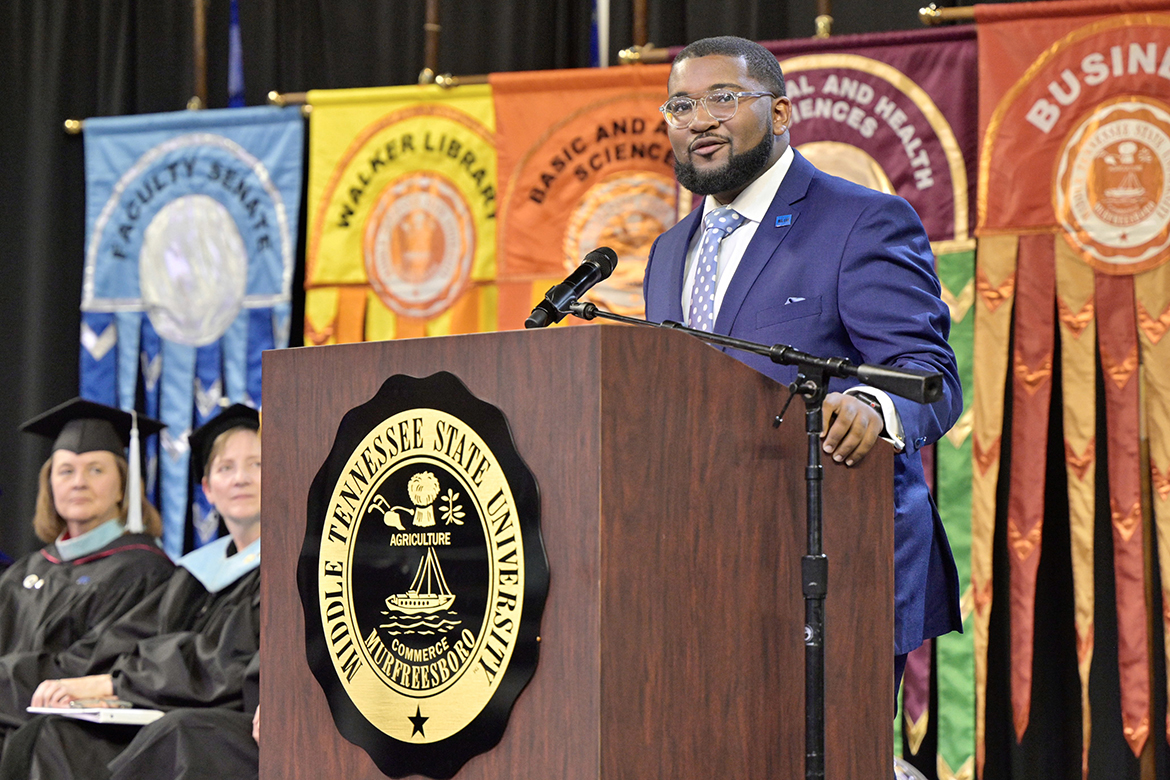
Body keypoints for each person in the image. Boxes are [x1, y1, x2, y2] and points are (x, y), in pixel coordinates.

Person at [643, 36, 962, 687]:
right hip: (699, 575)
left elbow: (929, 376)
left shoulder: (861, 222)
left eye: (722, 99)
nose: (698, 120)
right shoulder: (667, 252)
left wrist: (873, 408)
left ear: (782, 113)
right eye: (680, 105)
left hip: (836, 568)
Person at [0, 404, 262, 780]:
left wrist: (111, 682)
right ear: (207, 488)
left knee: (176, 736)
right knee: (54, 735)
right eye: (225, 468)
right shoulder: (192, 576)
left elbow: (226, 663)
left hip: (214, 721)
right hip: (157, 707)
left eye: (256, 465)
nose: (240, 479)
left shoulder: (292, 571)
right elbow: (136, 644)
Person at [0, 399, 173, 714]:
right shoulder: (28, 570)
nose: (79, 482)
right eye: (66, 471)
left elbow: (88, 668)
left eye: (96, 470)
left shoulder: (145, 571)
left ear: (123, 486)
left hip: (66, 728)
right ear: (50, 485)